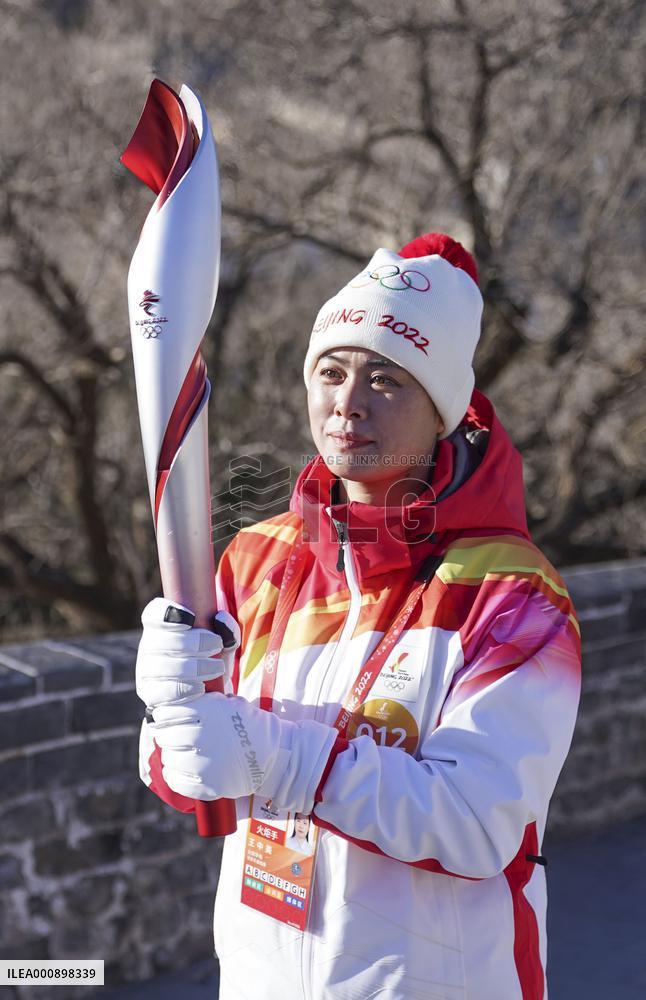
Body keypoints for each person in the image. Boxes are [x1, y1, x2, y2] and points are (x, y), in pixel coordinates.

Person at [136, 232, 581, 1000]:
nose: (347, 403)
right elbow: (199, 779)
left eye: (387, 381)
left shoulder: (512, 593)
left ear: (442, 409)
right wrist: (168, 716)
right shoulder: (256, 559)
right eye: (332, 372)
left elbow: (475, 825)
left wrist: (281, 756)